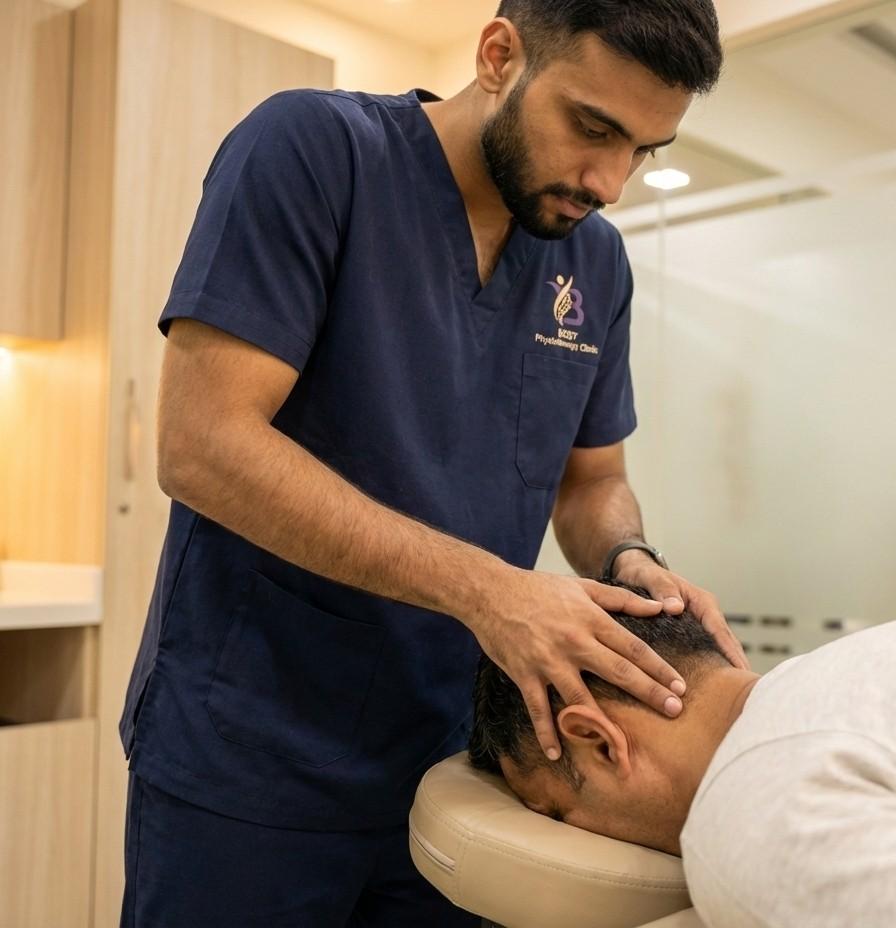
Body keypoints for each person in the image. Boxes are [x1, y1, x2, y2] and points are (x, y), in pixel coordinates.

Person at [116, 2, 749, 926]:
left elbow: (593, 482)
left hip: (454, 766)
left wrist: (629, 559)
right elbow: (202, 445)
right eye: (592, 127)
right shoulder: (316, 152)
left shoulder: (594, 263)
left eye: (644, 149)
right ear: (499, 56)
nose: (611, 182)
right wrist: (490, 591)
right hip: (252, 750)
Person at [470, 590, 896, 928]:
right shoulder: (843, 675)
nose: (570, 832)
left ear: (597, 740)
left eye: (557, 812)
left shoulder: (753, 815)